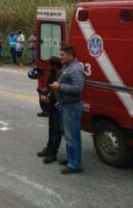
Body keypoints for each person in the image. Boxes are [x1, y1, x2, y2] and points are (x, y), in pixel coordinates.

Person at [49, 45, 85, 174]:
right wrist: (60, 100)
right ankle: (70, 158)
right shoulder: (66, 67)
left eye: (62, 55)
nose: (60, 57)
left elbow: (77, 88)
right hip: (65, 105)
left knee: (72, 135)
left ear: (70, 55)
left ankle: (75, 165)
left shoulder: (76, 69)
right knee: (67, 134)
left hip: (72, 107)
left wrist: (59, 87)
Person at [37, 57, 63, 164]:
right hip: (51, 104)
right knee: (51, 127)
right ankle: (49, 146)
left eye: (50, 65)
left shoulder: (62, 75)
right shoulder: (51, 75)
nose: (48, 67)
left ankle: (53, 152)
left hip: (59, 106)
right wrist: (42, 91)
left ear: (54, 66)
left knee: (57, 129)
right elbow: (48, 89)